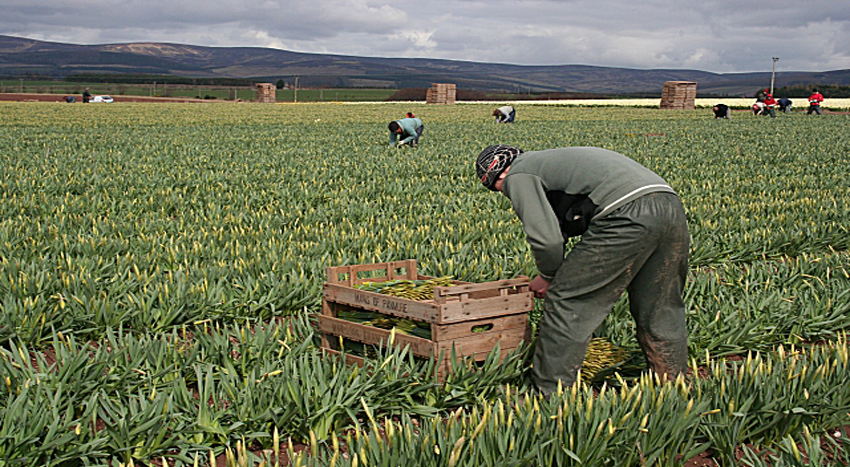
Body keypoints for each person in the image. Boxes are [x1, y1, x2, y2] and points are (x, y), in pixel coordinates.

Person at [475, 145, 689, 395]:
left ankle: (549, 395)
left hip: (625, 215)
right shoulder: (550, 163)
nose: (507, 194)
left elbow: (547, 239)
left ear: (498, 175)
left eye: (498, 190)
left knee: (567, 301)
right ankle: (673, 386)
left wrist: (549, 277)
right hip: (668, 205)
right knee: (660, 304)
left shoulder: (518, 174)